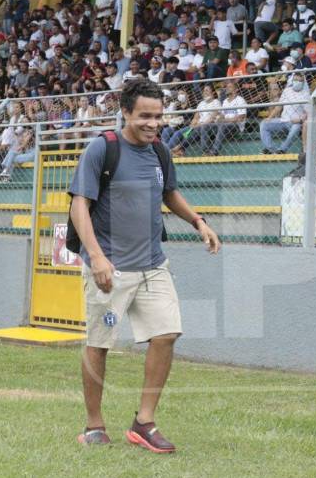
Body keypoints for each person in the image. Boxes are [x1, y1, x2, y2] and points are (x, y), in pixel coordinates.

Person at [68, 79, 221, 451]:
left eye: (158, 116)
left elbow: (169, 193)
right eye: (145, 116)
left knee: (166, 334)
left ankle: (144, 422)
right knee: (100, 343)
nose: (154, 124)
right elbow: (79, 206)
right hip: (110, 271)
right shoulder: (103, 149)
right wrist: (98, 257)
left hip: (153, 266)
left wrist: (198, 222)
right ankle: (93, 425)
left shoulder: (160, 151)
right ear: (125, 112)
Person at [259, 72, 310, 153]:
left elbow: (308, 113)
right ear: (292, 81)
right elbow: (279, 107)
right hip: (282, 120)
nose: (297, 82)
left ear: (303, 82)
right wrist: (269, 117)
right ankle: (270, 148)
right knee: (264, 124)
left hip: (295, 122)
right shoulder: (286, 91)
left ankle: (282, 149)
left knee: (296, 128)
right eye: (295, 80)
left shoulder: (306, 95)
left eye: (300, 81)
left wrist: (300, 120)